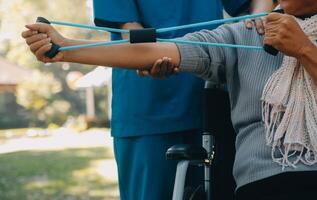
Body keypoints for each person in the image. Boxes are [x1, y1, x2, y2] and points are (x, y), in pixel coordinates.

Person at [22, 0, 317, 199]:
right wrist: (65, 48)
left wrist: (302, 47)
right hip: (261, 182)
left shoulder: (256, 32)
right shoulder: (241, 36)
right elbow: (153, 49)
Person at [91, 0, 274, 199]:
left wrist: (259, 18)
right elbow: (129, 29)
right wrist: (148, 56)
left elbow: (258, 5)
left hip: (209, 103)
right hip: (148, 106)